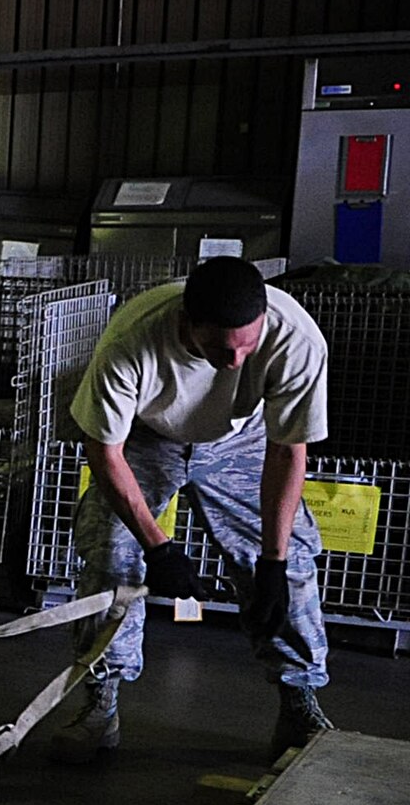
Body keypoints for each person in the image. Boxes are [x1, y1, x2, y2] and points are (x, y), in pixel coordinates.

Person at [49, 257, 332, 763]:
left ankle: (299, 702)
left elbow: (289, 450)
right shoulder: (130, 342)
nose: (237, 360)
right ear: (186, 323)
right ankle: (101, 701)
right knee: (110, 554)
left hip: (240, 440)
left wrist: (273, 558)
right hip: (147, 437)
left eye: (249, 345)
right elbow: (104, 452)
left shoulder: (296, 340)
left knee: (290, 568)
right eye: (223, 349)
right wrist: (157, 548)